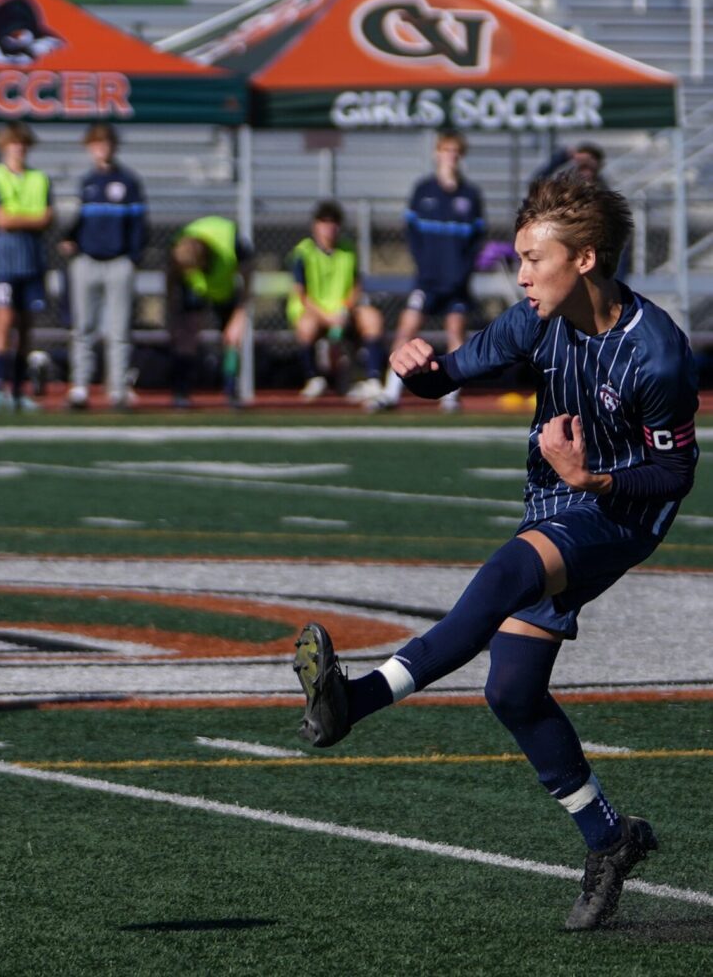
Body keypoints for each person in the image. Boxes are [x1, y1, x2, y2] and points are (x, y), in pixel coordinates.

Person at [293, 174, 698, 931]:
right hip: (556, 502)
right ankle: (610, 840)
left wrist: (592, 479)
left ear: (584, 259)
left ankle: (356, 701)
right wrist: (419, 371)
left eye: (532, 260)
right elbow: (448, 375)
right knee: (511, 690)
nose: (520, 276)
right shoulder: (535, 321)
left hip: (621, 514)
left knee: (508, 572)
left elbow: (675, 473)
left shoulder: (658, 352)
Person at [376, 129, 486, 412]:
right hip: (427, 280)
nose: (450, 157)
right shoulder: (423, 190)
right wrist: (424, 265)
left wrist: (462, 271)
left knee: (455, 333)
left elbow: (476, 242)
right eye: (446, 151)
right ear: (437, 154)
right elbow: (412, 234)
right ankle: (390, 392)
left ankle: (450, 395)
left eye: (455, 152)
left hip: (457, 282)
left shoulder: (470, 196)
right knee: (407, 328)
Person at [59, 123, 143, 411]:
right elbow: (77, 220)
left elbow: (138, 225)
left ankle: (118, 390)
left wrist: (132, 258)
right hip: (88, 262)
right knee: (83, 328)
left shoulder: (128, 182)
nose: (101, 150)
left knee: (118, 330)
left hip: (118, 263)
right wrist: (70, 240)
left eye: (105, 144)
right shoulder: (87, 183)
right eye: (96, 144)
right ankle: (80, 387)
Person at [0, 122, 52, 413]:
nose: (17, 149)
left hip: (32, 260)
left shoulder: (39, 179)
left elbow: (47, 217)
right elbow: (1, 218)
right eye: (12, 144)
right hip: (6, 261)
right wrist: (28, 218)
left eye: (22, 144)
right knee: (3, 321)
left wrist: (16, 218)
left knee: (25, 326)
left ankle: (20, 391)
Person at [288, 200, 385, 402]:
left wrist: (344, 310)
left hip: (343, 312)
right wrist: (328, 318)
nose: (329, 227)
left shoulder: (348, 250)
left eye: (334, 222)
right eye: (324, 222)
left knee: (372, 318)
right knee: (306, 326)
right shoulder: (303, 252)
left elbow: (356, 285)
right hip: (316, 313)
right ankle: (314, 379)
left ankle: (373, 380)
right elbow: (302, 294)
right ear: (315, 225)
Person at [168, 215, 251, 408]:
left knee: (232, 339)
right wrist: (172, 308)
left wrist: (240, 313)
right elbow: (170, 276)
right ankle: (182, 391)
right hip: (196, 290)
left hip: (225, 289)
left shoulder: (232, 242)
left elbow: (248, 275)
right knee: (186, 336)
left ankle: (231, 390)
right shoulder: (178, 246)